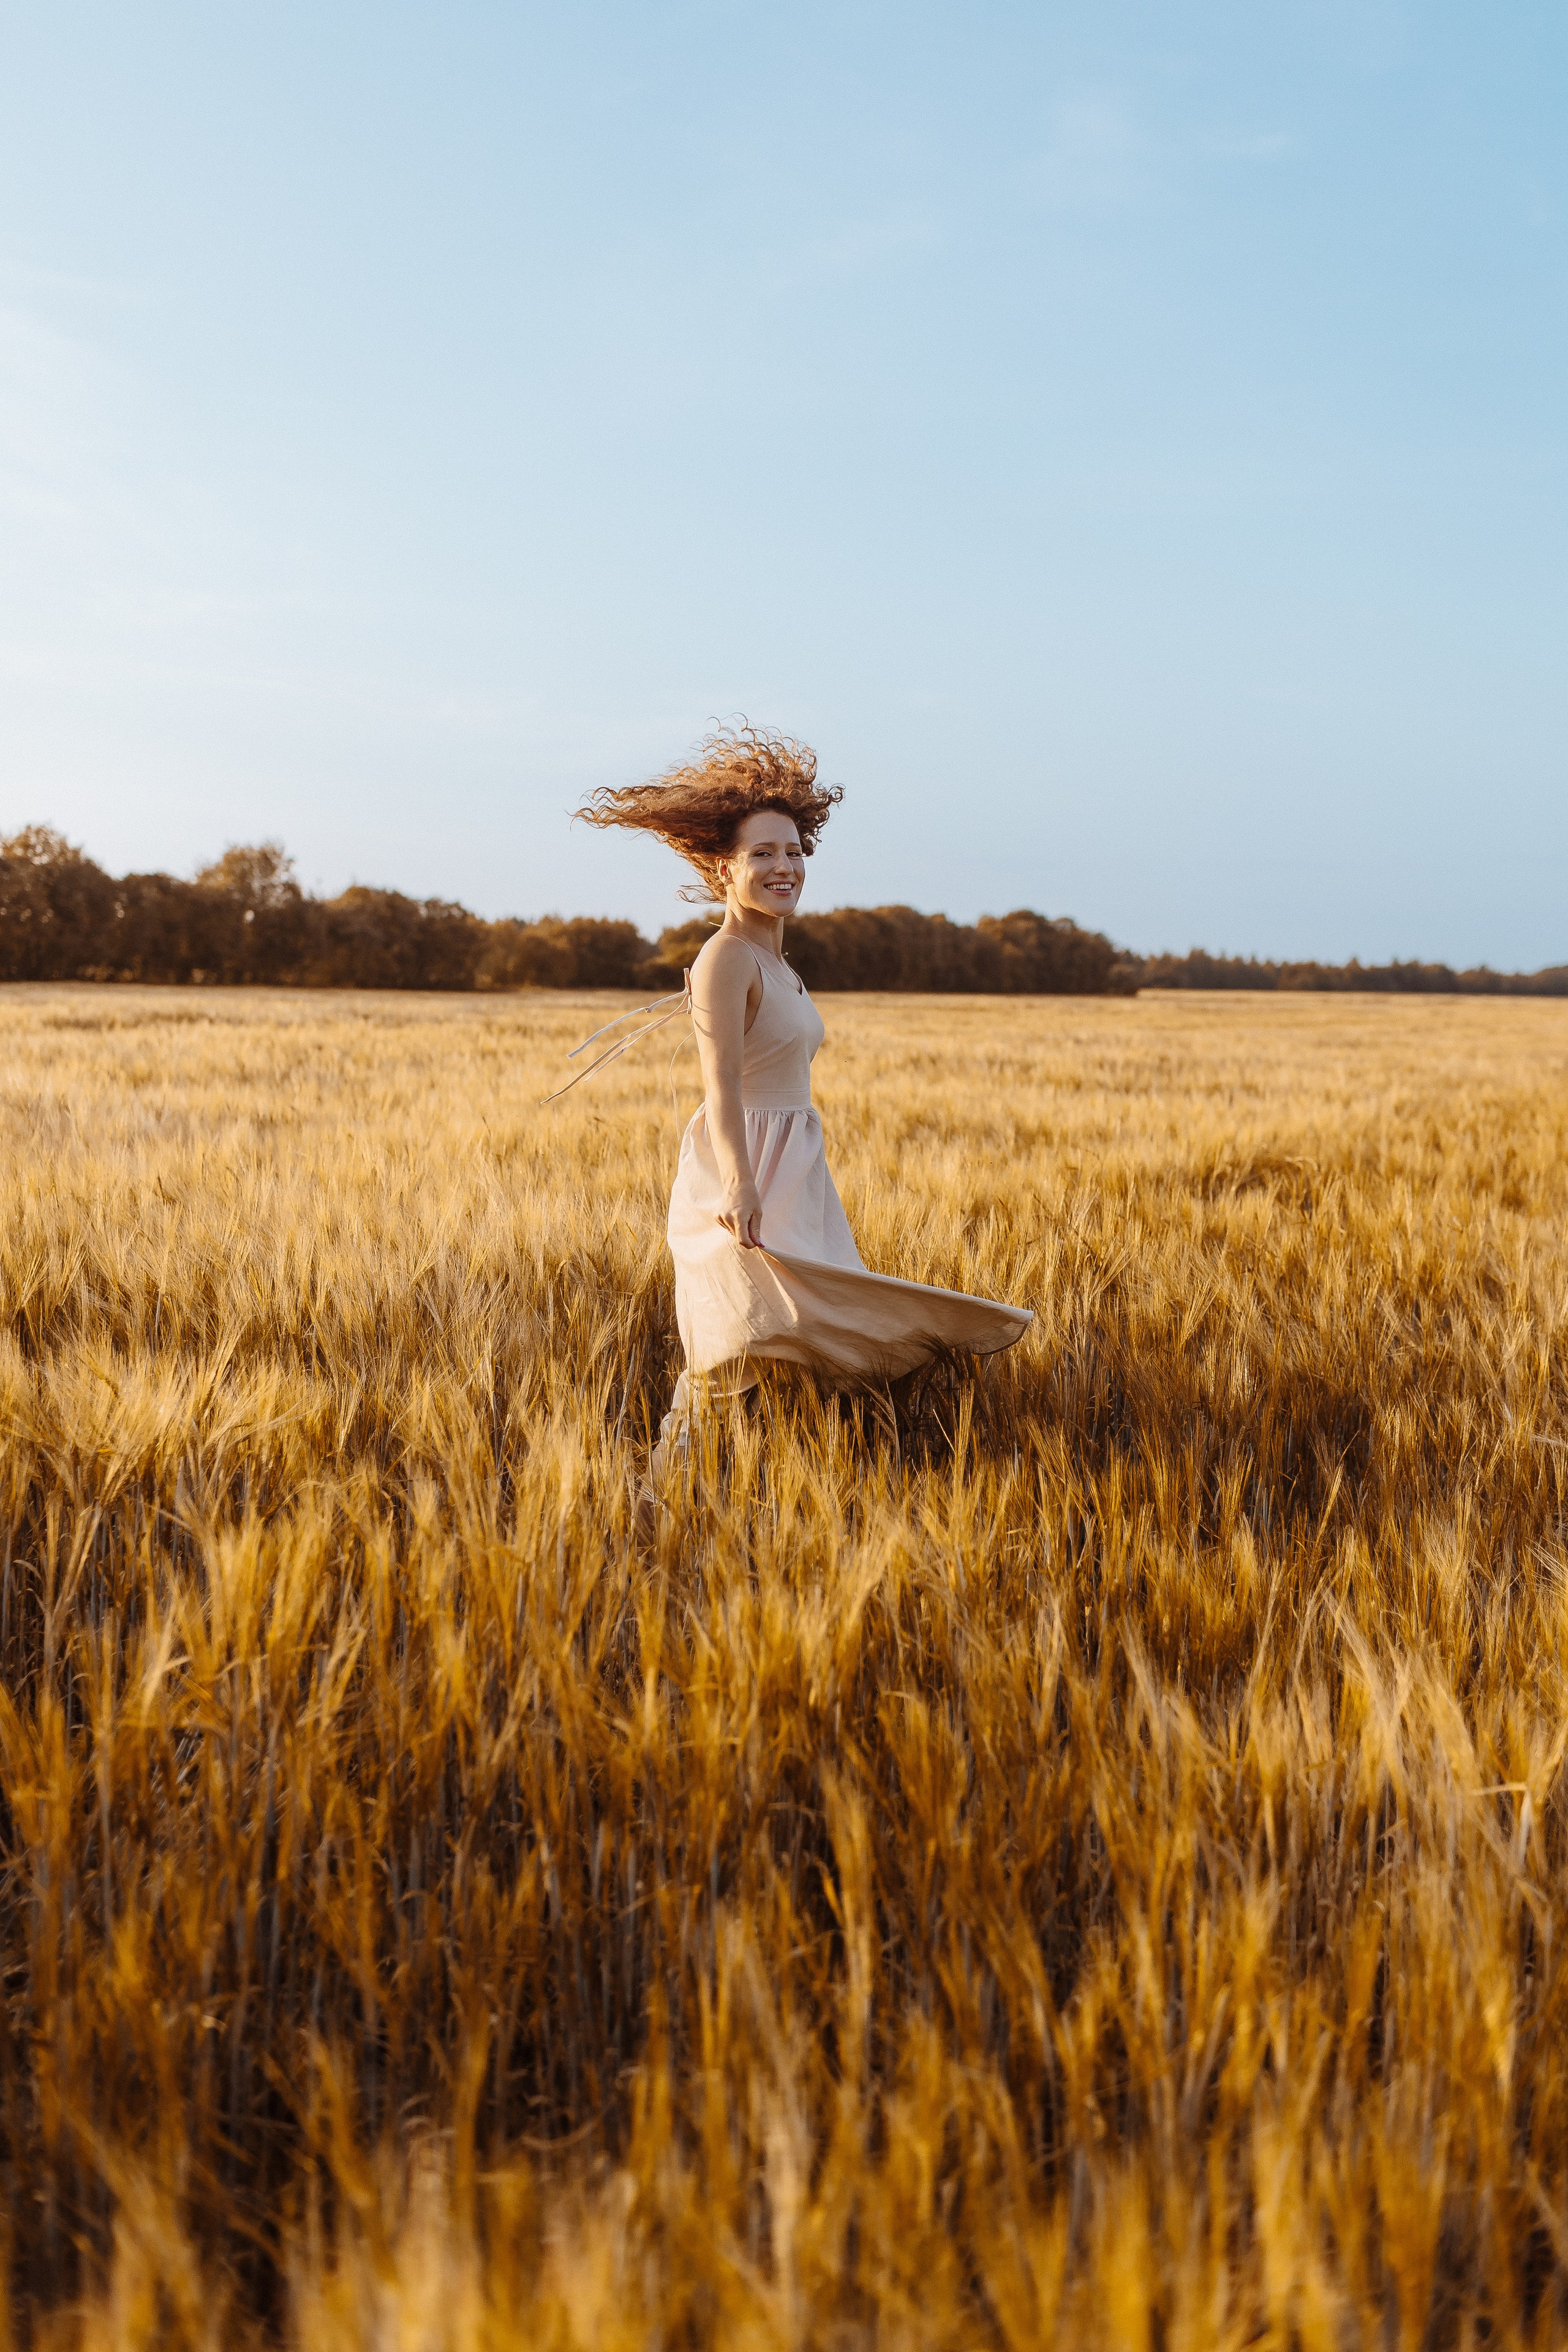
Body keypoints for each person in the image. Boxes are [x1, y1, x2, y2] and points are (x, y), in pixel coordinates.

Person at [578, 725, 1032, 1488]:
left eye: (793, 852)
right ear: (724, 868)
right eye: (762, 853)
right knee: (731, 1345)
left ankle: (796, 1489)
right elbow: (720, 1082)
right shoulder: (725, 957)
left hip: (796, 1168)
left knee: (826, 1337)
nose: (783, 866)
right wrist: (738, 1182)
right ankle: (656, 1499)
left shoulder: (777, 963)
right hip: (744, 1166)